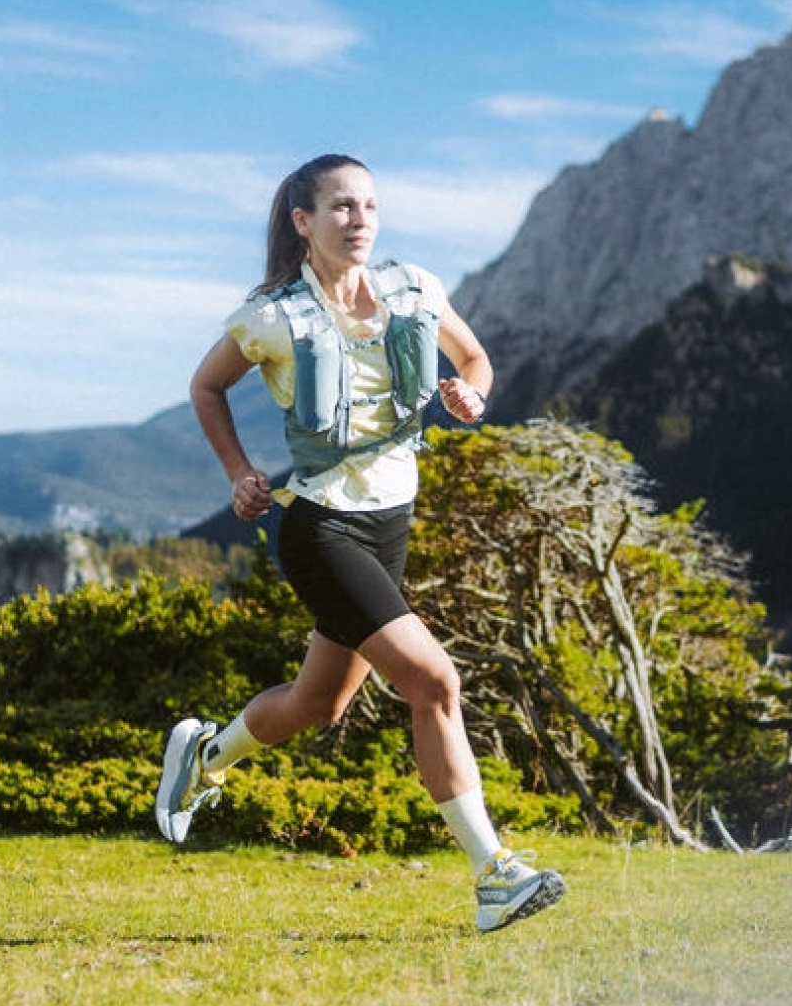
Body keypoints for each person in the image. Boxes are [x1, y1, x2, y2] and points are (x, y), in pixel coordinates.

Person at [155, 152, 565, 934]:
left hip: (390, 521)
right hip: (322, 526)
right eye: (341, 207)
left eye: (370, 205)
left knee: (320, 703)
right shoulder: (273, 316)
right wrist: (239, 472)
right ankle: (494, 875)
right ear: (303, 223)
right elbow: (204, 388)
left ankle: (204, 759)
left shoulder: (415, 287)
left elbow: (473, 357)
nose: (360, 220)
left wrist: (470, 393)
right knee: (434, 681)